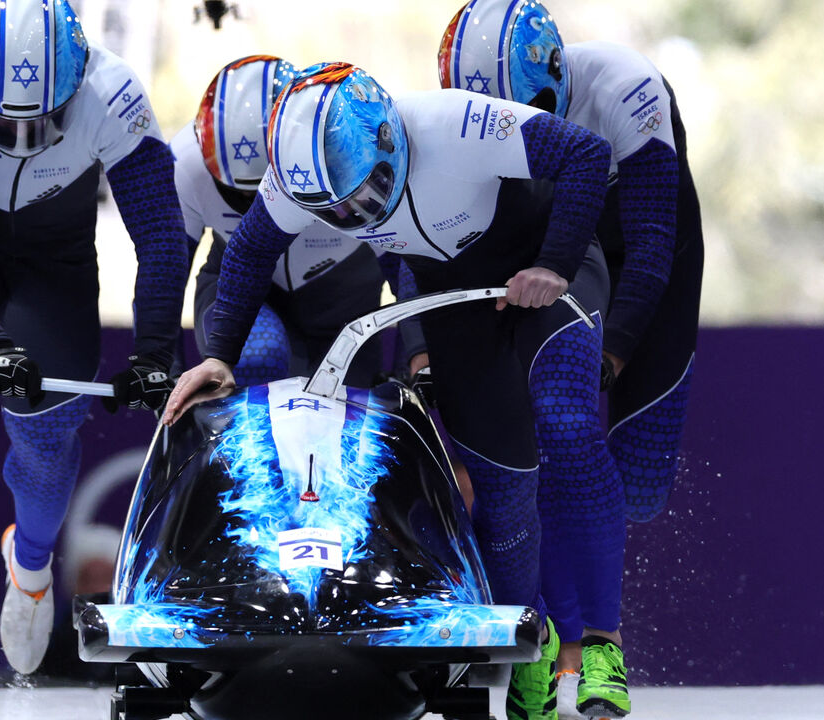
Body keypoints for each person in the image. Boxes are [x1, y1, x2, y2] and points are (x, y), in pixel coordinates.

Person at [163, 62, 614, 720]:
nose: (355, 213)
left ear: (388, 140)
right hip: (460, 303)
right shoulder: (300, 185)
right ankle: (532, 645)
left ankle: (601, 644)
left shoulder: (456, 123)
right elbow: (249, 255)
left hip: (540, 268)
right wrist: (219, 357)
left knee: (564, 423)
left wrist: (555, 262)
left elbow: (585, 153)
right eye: (335, 209)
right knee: (504, 487)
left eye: (365, 191)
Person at [0, 0, 188, 674]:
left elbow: (163, 240)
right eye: (3, 120)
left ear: (76, 85)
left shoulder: (115, 94)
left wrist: (154, 353)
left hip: (54, 269)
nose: (23, 135)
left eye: (43, 119)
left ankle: (28, 568)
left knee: (45, 434)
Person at [440, 1, 705, 717]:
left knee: (639, 485)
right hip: (558, 248)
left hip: (645, 248)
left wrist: (614, 354)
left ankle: (579, 611)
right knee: (557, 429)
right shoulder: (459, 119)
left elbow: (651, 244)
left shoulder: (624, 84)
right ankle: (576, 640)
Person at [174, 55, 394, 386]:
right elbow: (167, 268)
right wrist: (160, 364)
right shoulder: (184, 164)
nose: (257, 207)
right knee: (256, 356)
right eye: (238, 194)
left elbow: (406, 261)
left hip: (344, 303)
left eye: (266, 189)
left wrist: (419, 356)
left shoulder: (350, 157)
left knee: (341, 422)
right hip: (247, 295)